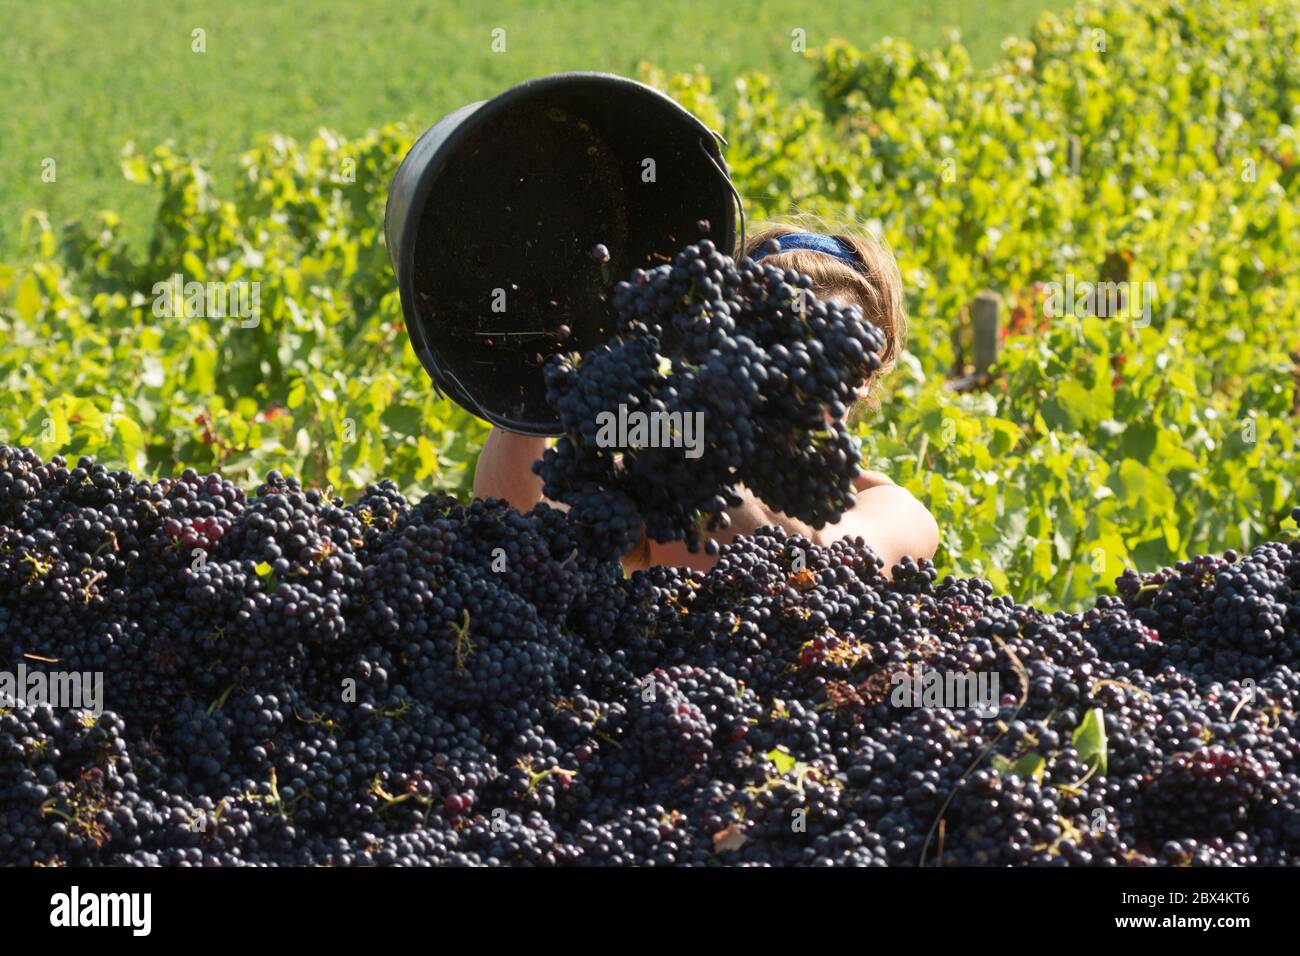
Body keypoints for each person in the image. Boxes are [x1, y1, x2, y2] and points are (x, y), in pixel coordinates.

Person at [473, 220, 939, 576]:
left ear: (863, 374)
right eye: (762, 337)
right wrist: (536, 377)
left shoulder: (893, 508)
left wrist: (683, 442)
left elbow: (805, 565)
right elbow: (518, 527)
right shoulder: (655, 472)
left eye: (818, 345)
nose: (787, 364)